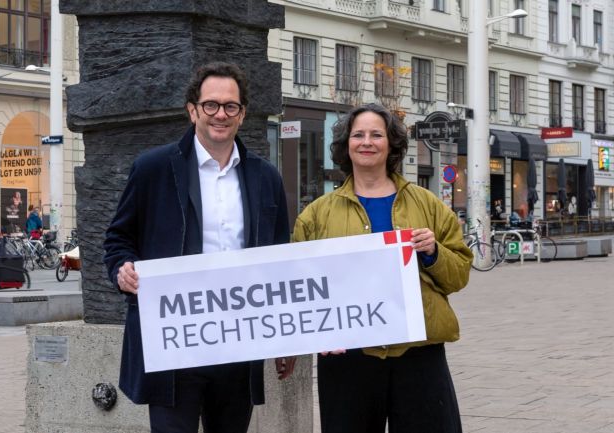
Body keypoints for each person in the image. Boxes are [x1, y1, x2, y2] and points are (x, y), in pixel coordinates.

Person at [103, 62, 295, 433]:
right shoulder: (153, 169)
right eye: (210, 105)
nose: (220, 114)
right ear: (192, 111)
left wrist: (286, 338)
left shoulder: (265, 176)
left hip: (240, 342)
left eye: (230, 106)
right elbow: (117, 239)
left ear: (243, 115)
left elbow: (279, 259)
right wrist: (122, 269)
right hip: (174, 345)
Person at [292, 103, 472, 433]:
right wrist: (315, 330)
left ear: (391, 144)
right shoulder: (316, 215)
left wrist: (433, 253)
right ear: (346, 144)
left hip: (419, 353)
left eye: (377, 134)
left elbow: (459, 274)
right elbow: (299, 285)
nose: (367, 142)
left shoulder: (427, 203)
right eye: (358, 134)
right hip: (349, 356)